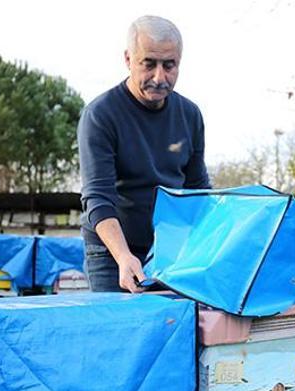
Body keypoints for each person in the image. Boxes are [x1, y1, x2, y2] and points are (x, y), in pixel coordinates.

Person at [78, 15, 210, 293]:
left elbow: (198, 192)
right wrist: (125, 257)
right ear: (129, 59)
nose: (159, 77)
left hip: (170, 251)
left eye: (169, 65)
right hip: (113, 253)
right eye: (149, 64)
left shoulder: (191, 115)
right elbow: (98, 199)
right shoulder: (100, 115)